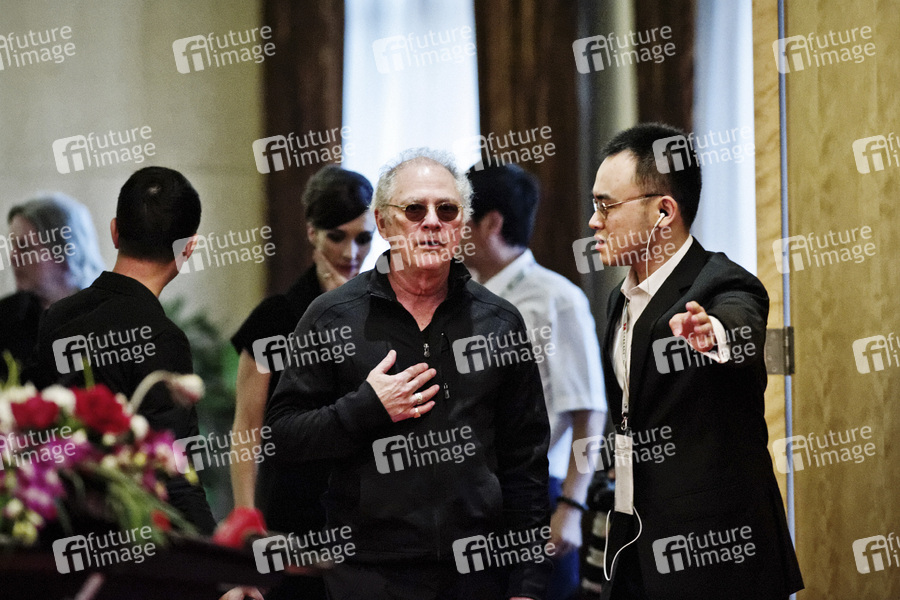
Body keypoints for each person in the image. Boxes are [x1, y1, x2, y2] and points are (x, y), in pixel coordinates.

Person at [265, 148, 552, 600]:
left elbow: (526, 464)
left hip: (477, 575)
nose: (432, 222)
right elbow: (283, 435)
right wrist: (365, 408)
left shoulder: (500, 321)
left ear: (462, 225)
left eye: (447, 210)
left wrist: (528, 586)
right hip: (367, 575)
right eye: (415, 209)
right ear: (383, 223)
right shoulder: (331, 316)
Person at [587, 123, 803, 599]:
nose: (594, 221)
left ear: (664, 211)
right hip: (634, 541)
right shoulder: (619, 299)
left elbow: (741, 328)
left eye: (606, 205)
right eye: (594, 204)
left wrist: (713, 334)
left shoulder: (722, 283)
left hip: (717, 553)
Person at [33, 166, 216, 535]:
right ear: (188, 249)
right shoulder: (163, 338)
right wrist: (220, 557)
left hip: (50, 529)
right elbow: (174, 474)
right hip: (125, 542)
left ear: (115, 231)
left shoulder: (57, 316)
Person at [229, 165, 374, 600]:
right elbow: (247, 428)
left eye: (363, 238)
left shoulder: (385, 315)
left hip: (368, 519)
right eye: (337, 236)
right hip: (291, 514)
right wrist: (247, 523)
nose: (351, 252)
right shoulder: (275, 318)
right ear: (312, 232)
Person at [464, 164, 607, 600]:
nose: (449, 231)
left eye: (459, 216)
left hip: (534, 494)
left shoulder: (555, 299)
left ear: (491, 223)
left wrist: (571, 507)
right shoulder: (464, 296)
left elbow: (589, 410)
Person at [0, 194, 104, 382]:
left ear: (65, 251)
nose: (13, 257)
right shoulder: (6, 316)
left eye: (24, 247)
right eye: (13, 246)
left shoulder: (106, 320)